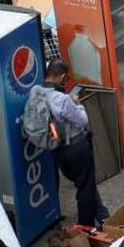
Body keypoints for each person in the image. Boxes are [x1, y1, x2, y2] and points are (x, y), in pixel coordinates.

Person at [37, 60, 108, 227]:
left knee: (84, 183)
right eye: (65, 78)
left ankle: (103, 214)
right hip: (76, 148)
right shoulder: (63, 100)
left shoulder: (37, 93)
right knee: (85, 189)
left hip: (58, 151)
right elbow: (83, 120)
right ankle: (86, 228)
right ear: (61, 76)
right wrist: (76, 103)